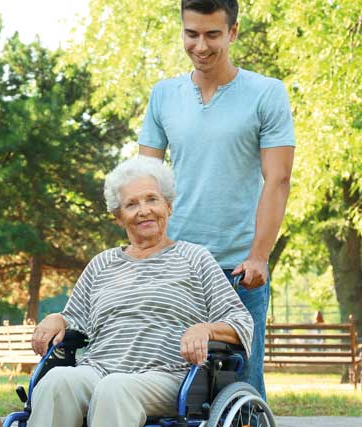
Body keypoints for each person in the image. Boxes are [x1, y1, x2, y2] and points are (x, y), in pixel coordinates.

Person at [137, 0, 295, 400]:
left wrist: (259, 255)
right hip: (175, 267)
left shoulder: (266, 93)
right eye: (192, 34)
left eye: (212, 34)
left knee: (242, 392)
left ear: (233, 32)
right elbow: (143, 182)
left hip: (237, 271)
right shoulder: (164, 95)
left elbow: (277, 179)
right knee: (167, 390)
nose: (201, 46)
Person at [28, 156, 253, 427]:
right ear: (118, 218)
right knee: (56, 382)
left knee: (114, 388)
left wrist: (206, 329)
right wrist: (57, 319)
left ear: (168, 206)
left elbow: (241, 322)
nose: (143, 210)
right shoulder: (102, 263)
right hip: (97, 369)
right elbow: (75, 318)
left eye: (152, 199)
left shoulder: (195, 258)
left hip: (167, 376)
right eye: (131, 204)